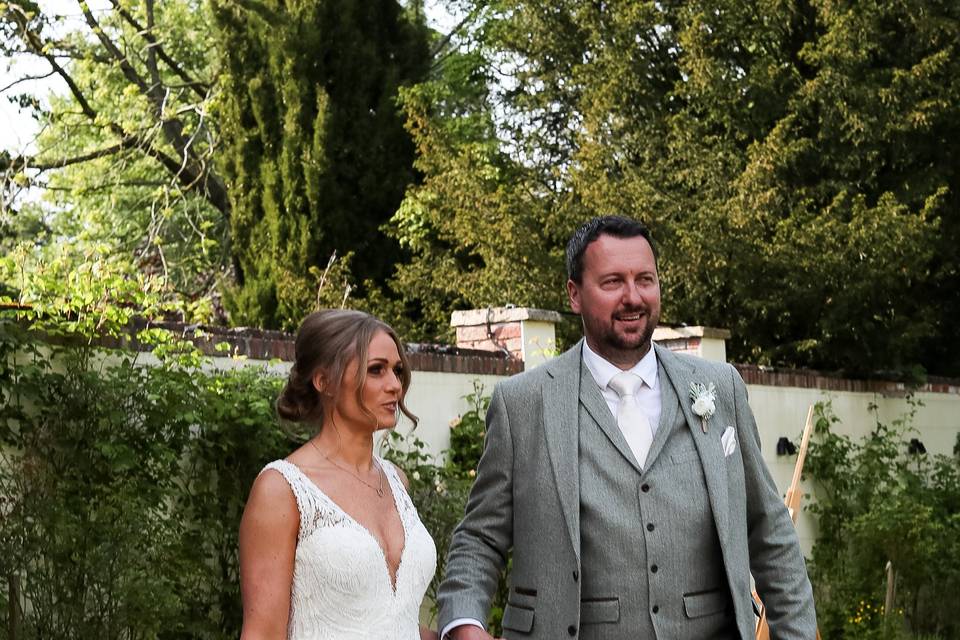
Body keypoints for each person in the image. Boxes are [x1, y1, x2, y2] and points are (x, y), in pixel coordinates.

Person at [437, 216, 816, 639]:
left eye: (645, 280)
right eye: (613, 282)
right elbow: (479, 538)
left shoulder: (719, 388)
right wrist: (464, 624)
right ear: (575, 294)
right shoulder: (523, 404)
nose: (633, 297)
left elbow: (769, 530)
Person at [239, 309, 438, 640]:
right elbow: (262, 633)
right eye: (376, 370)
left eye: (397, 371)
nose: (395, 386)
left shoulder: (396, 481)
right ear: (324, 381)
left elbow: (389, 620)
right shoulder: (282, 489)